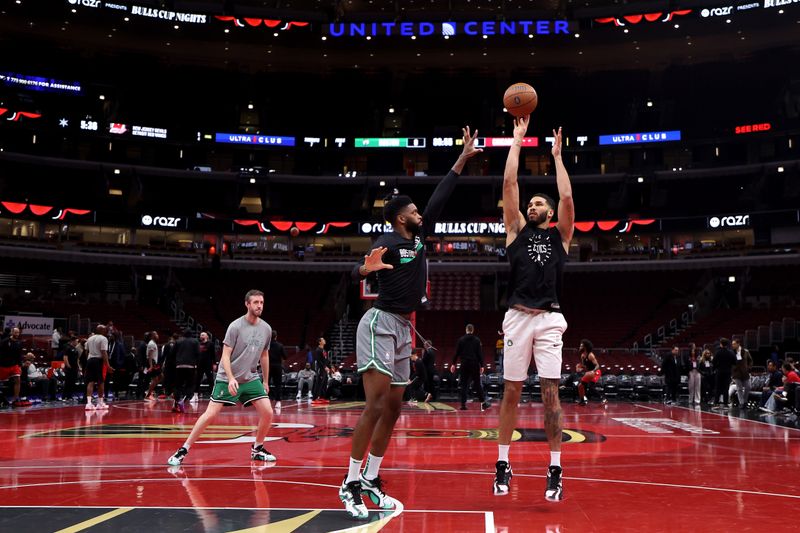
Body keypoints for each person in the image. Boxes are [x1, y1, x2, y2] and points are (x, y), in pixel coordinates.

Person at [341, 126, 481, 519]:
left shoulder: (418, 240)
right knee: (375, 404)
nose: (422, 214)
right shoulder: (388, 241)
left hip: (404, 327)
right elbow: (359, 270)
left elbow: (439, 199)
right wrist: (361, 270)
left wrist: (461, 160)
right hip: (379, 323)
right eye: (415, 211)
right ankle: (349, 481)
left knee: (395, 409)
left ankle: (370, 477)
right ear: (400, 217)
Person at [495, 118, 574, 502]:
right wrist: (516, 142)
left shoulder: (561, 237)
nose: (532, 205)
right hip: (517, 317)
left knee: (550, 395)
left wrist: (558, 157)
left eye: (538, 202)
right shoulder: (517, 231)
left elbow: (569, 200)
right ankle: (502, 462)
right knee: (510, 393)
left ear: (550, 211)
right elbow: (509, 185)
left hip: (549, 319)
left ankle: (556, 467)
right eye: (531, 203)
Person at [167, 289, 276, 466]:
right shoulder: (235, 327)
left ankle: (257, 448)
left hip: (251, 378)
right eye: (256, 302)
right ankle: (183, 450)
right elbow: (225, 355)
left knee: (268, 412)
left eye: (261, 302)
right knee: (210, 415)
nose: (259, 306)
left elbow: (264, 355)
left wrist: (265, 380)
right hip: (228, 378)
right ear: (247, 304)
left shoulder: (266, 329)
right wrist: (231, 377)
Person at [450, 324, 490, 411]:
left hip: (464, 364)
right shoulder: (477, 340)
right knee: (477, 384)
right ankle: (483, 403)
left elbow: (456, 353)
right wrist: (482, 365)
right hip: (474, 364)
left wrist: (453, 364)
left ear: (466, 330)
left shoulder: (460, 340)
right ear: (473, 330)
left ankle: (463, 405)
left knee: (464, 384)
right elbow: (479, 354)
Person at [85, 324, 113, 410]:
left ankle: (88, 404)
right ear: (101, 330)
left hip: (90, 360)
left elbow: (86, 351)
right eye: (104, 330)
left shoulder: (90, 338)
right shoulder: (103, 338)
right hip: (98, 361)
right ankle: (100, 403)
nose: (106, 331)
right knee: (101, 382)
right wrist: (108, 365)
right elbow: (104, 352)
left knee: (90, 382)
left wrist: (89, 360)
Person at [173, 329, 200, 413]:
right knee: (190, 385)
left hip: (179, 366)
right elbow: (198, 354)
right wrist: (197, 366)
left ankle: (176, 403)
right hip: (190, 366)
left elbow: (173, 353)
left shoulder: (178, 341)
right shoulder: (195, 341)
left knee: (178, 385)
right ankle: (183, 400)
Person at [0, 327, 28, 407]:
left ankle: (15, 399)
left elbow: (19, 356)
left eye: (18, 333)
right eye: (15, 332)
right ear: (12, 332)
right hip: (3, 365)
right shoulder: (5, 341)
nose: (17, 334)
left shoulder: (19, 343)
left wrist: (19, 366)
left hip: (14, 365)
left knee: (18, 379)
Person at [576, 339, 606, 405]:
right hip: (589, 372)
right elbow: (586, 366)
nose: (580, 347)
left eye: (581, 346)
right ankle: (582, 400)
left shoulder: (590, 355)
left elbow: (597, 365)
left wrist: (593, 371)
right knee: (580, 386)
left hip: (596, 372)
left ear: (585, 347)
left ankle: (603, 398)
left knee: (590, 387)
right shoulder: (582, 356)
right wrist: (580, 367)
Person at [712, 338, 736, 409]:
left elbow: (714, 362)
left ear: (721, 344)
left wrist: (716, 367)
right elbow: (734, 362)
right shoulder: (731, 352)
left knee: (718, 387)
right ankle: (725, 404)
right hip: (728, 372)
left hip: (719, 372)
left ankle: (716, 403)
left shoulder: (718, 352)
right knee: (726, 388)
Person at [192, 331, 215, 402]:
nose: (201, 336)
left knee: (210, 380)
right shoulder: (198, 344)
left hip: (208, 364)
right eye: (200, 335)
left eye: (203, 335)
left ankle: (213, 395)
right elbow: (195, 355)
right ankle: (195, 395)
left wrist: (214, 364)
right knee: (197, 380)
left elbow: (213, 354)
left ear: (207, 336)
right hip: (199, 365)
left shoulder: (211, 344)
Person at [731, 339, 753, 407]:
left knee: (748, 387)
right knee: (739, 388)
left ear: (738, 344)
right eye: (732, 344)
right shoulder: (732, 352)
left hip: (745, 372)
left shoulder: (745, 351)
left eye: (734, 344)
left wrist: (749, 368)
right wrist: (733, 370)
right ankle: (742, 403)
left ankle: (745, 400)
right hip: (737, 373)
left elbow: (750, 360)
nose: (733, 345)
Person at [268, 330, 287, 408]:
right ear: (276, 337)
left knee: (266, 383)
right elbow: (285, 356)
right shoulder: (280, 345)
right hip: (277, 366)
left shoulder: (266, 345)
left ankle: (265, 400)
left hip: (268, 366)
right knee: (278, 384)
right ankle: (278, 401)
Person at [144, 331, 162, 400]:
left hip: (155, 363)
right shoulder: (151, 343)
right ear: (152, 336)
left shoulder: (154, 343)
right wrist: (151, 366)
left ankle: (150, 390)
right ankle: (148, 395)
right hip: (152, 363)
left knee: (161, 376)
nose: (157, 335)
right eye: (156, 334)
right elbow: (149, 356)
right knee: (155, 379)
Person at [312, 337, 330, 404]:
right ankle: (315, 398)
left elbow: (326, 360)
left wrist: (329, 367)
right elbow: (318, 360)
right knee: (318, 383)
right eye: (323, 340)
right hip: (320, 369)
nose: (324, 340)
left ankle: (322, 397)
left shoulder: (324, 350)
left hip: (325, 369)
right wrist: (324, 367)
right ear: (320, 342)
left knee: (324, 383)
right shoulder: (318, 350)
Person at [62, 336, 80, 401]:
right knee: (68, 382)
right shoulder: (68, 348)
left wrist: (78, 366)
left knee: (72, 382)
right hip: (69, 368)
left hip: (75, 368)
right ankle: (64, 396)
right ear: (73, 341)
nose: (77, 342)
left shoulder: (75, 349)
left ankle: (70, 396)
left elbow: (77, 359)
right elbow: (65, 357)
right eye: (76, 341)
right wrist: (68, 365)